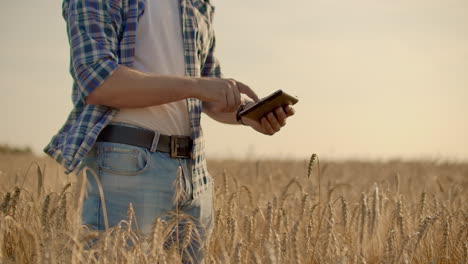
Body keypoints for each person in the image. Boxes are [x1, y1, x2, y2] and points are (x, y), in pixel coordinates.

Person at [44, 0, 295, 262]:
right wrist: (197, 86)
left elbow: (210, 91)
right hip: (126, 163)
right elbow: (98, 81)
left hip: (194, 172)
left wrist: (246, 114)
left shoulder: (198, 3)